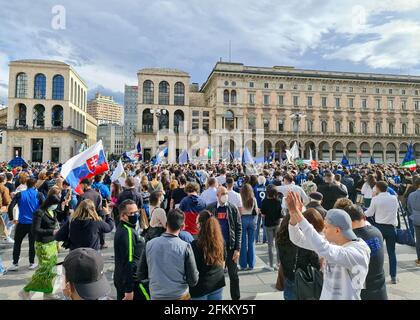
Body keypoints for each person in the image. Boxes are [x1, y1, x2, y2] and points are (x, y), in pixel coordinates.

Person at [287, 191, 371, 300]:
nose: (323, 230)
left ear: (337, 230)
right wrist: (293, 218)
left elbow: (324, 248)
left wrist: (299, 216)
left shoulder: (358, 251)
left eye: (326, 227)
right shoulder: (333, 243)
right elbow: (297, 239)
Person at [138, 209, 199, 300]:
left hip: (157, 295)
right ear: (182, 227)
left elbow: (141, 274)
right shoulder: (185, 247)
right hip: (180, 295)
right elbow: (193, 280)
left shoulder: (149, 244)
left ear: (166, 224)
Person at [19, 189, 62, 300]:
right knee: (43, 271)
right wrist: (51, 232)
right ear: (49, 203)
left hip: (52, 243)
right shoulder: (39, 212)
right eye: (55, 204)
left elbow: (57, 222)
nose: (56, 206)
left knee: (51, 271)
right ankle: (25, 290)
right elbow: (35, 230)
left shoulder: (53, 211)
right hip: (43, 245)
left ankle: (48, 293)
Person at [341, 204, 388, 300]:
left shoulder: (351, 239)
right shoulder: (377, 232)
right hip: (380, 289)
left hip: (362, 291)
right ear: (363, 217)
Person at [277, 210, 323, 300]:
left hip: (289, 279)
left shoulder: (282, 236)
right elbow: (315, 264)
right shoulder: (305, 240)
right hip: (305, 284)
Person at [206, 186, 242, 300]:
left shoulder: (232, 208)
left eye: (226, 193)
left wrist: (238, 249)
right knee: (215, 277)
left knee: (234, 276)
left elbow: (238, 228)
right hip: (216, 248)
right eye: (222, 193)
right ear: (217, 196)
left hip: (230, 247)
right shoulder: (210, 208)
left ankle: (236, 298)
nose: (225, 195)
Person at [7, 178, 45, 271]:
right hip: (34, 223)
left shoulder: (19, 194)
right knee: (32, 243)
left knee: (17, 243)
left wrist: (12, 218)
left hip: (21, 223)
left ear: (26, 184)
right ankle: (31, 263)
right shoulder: (39, 194)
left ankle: (15, 263)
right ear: (35, 184)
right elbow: (44, 207)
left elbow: (10, 207)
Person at [365, 181, 399, 284]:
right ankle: (393, 276)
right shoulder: (394, 198)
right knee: (392, 253)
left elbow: (369, 213)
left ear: (378, 188)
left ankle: (375, 275)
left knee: (376, 252)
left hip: (379, 227)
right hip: (391, 227)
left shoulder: (376, 199)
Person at [190, 210, 226, 300]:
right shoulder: (221, 242)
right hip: (217, 283)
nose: (196, 225)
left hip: (200, 288)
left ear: (201, 225)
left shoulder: (195, 245)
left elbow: (192, 269)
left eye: (197, 222)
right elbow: (223, 262)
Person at [114, 199, 145, 300]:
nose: (135, 215)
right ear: (123, 215)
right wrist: (129, 290)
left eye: (137, 212)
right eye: (132, 213)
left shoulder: (125, 228)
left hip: (123, 279)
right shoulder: (127, 232)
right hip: (132, 283)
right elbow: (129, 261)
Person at [261, 185, 283, 271]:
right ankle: (278, 263)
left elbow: (263, 214)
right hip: (277, 224)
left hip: (268, 224)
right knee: (278, 245)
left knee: (270, 245)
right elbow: (280, 214)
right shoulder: (278, 201)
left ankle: (270, 265)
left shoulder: (265, 201)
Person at [238, 184, 258, 270]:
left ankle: (243, 264)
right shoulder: (253, 199)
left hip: (242, 218)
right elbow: (256, 211)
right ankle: (251, 264)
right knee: (251, 242)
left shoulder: (240, 198)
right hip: (252, 218)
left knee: (242, 242)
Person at [407, 177, 420, 266]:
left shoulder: (411, 195)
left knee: (418, 240)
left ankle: (419, 259)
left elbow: (409, 207)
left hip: (416, 218)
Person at [254, 175, 267, 244]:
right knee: (265, 224)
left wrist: (256, 207)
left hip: (257, 207)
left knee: (257, 224)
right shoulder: (266, 188)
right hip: (265, 208)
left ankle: (256, 239)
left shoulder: (255, 188)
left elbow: (254, 199)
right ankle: (265, 239)